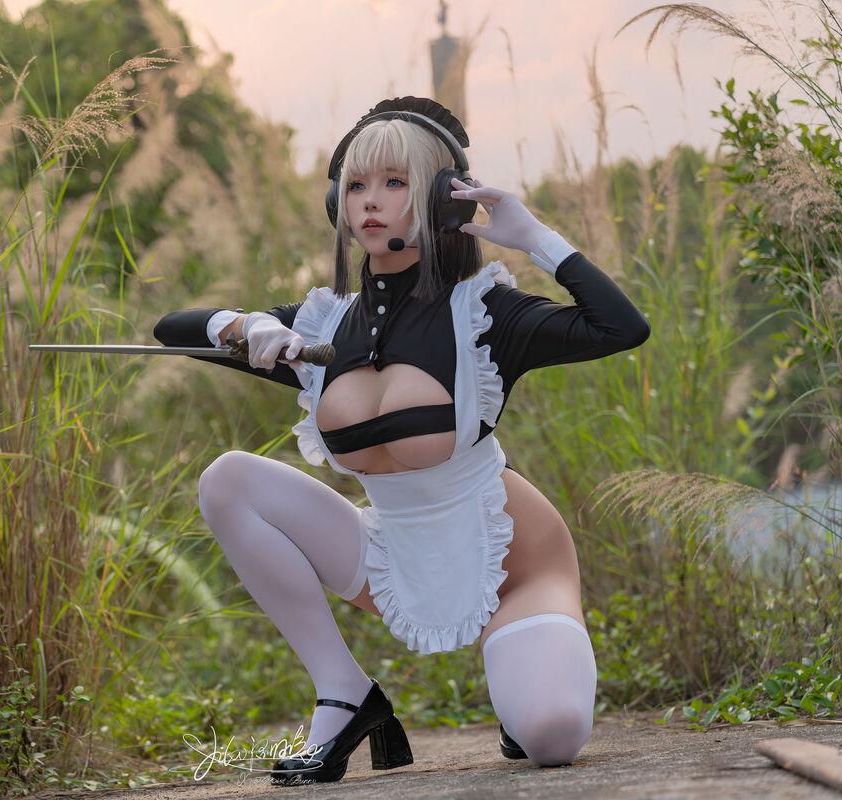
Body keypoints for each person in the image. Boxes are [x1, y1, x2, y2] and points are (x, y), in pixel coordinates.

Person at [152, 96, 650, 784]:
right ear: (338, 204)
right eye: (356, 184)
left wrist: (534, 236)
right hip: (393, 557)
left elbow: (621, 328)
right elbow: (170, 330)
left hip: (516, 569)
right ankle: (345, 694)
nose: (371, 200)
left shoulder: (483, 314)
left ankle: (524, 680)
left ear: (444, 199)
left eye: (395, 182)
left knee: (551, 736)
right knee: (228, 481)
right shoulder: (321, 328)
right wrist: (241, 326)